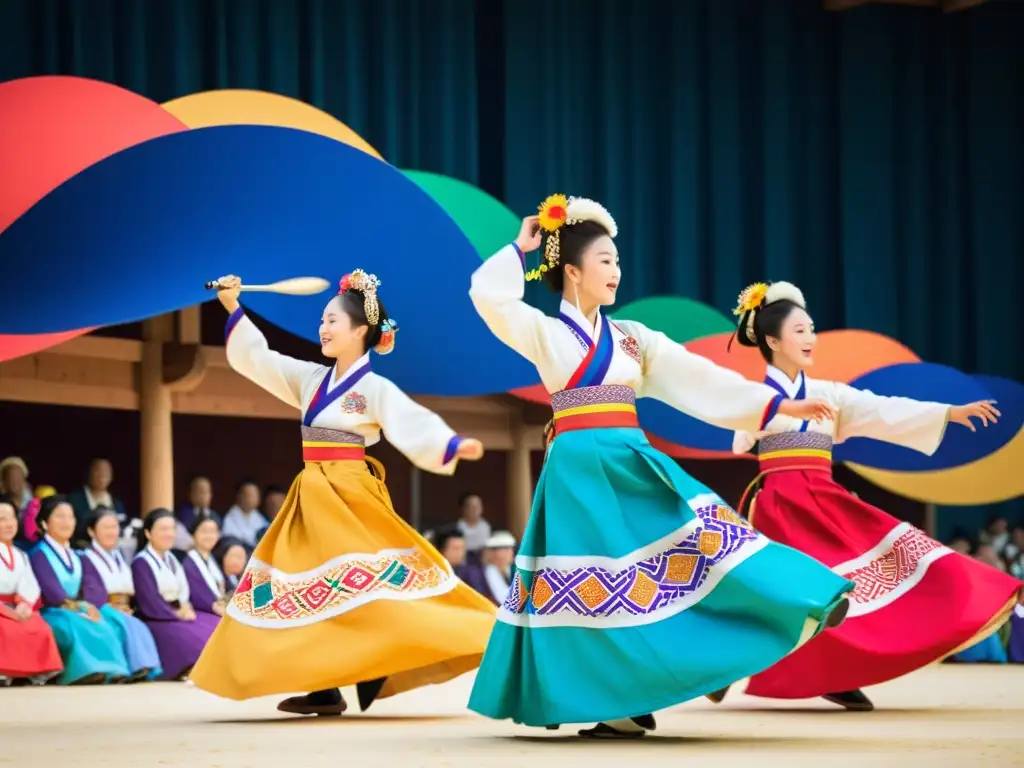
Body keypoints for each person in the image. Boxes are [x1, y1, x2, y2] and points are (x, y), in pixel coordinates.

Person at [466, 197, 855, 739]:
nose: (616, 271)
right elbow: (488, 296)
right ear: (573, 272)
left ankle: (800, 597)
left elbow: (699, 379)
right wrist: (520, 247)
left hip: (630, 462)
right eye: (605, 260)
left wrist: (777, 407)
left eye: (618, 261)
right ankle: (618, 704)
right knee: (595, 586)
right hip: (576, 475)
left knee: (707, 538)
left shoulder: (633, 338)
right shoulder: (545, 333)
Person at [188, 269, 497, 717]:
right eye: (322, 320)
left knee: (360, 584)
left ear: (361, 331)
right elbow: (261, 359)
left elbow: (408, 419)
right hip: (312, 495)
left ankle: (382, 662)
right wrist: (233, 306)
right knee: (311, 586)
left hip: (352, 498)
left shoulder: (373, 388)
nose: (323, 328)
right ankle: (327, 685)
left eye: (332, 320)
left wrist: (449, 444)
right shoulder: (311, 378)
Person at [717, 280, 1024, 710]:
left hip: (823, 501)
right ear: (772, 340)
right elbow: (737, 440)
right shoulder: (759, 397)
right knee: (777, 589)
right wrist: (763, 411)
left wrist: (948, 413)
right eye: (800, 330)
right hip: (779, 508)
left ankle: (840, 672)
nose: (810, 338)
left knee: (881, 567)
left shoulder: (830, 394)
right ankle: (725, 663)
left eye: (812, 329)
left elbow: (882, 409)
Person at [28, 495, 131, 684]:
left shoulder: (76, 554)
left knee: (102, 621)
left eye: (70, 516)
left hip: (75, 609)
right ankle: (82, 672)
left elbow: (88, 586)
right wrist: (82, 608)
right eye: (60, 516)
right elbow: (53, 594)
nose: (66, 521)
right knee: (77, 624)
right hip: (51, 612)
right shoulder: (39, 554)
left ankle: (110, 670)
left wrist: (90, 607)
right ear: (44, 523)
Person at [130, 509, 219, 681]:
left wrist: (185, 606)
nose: (169, 534)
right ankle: (192, 668)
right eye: (163, 529)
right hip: (156, 617)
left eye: (171, 529)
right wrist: (175, 613)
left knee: (213, 624)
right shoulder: (141, 562)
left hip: (176, 611)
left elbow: (183, 591)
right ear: (148, 533)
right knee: (191, 636)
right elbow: (149, 600)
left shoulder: (172, 559)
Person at [80, 508, 163, 681]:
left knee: (138, 624)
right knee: (123, 625)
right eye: (106, 528)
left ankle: (143, 667)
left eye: (115, 527)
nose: (112, 532)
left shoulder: (119, 555)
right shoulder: (86, 557)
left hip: (124, 607)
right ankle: (127, 668)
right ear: (91, 531)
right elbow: (90, 589)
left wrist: (130, 607)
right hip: (103, 607)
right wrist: (112, 607)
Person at [0, 500, 62, 685]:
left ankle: (34, 672)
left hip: (16, 605)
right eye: (2, 519)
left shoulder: (21, 554)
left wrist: (23, 603)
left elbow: (29, 584)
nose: (9, 524)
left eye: (11, 518)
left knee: (38, 627)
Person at [182, 515, 227, 617]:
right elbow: (198, 595)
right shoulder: (188, 563)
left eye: (213, 531)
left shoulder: (214, 560)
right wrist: (216, 607)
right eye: (204, 531)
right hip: (202, 613)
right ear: (193, 534)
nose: (209, 536)